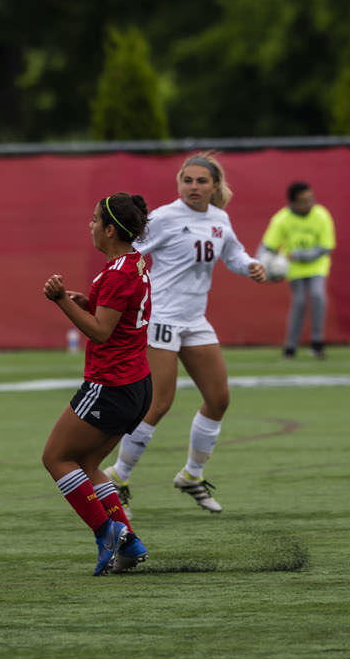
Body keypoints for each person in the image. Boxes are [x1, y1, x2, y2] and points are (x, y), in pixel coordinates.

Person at [109, 152, 270, 513]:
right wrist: (117, 296)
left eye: (201, 181)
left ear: (215, 186)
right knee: (158, 403)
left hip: (195, 320)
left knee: (219, 399)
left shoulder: (219, 218)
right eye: (188, 180)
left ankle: (192, 475)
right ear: (179, 183)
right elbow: (129, 253)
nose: (194, 187)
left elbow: (234, 255)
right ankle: (117, 478)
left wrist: (252, 267)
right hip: (162, 317)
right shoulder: (165, 218)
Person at [42, 192, 155, 575]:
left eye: (94, 220)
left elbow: (102, 333)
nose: (89, 226)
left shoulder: (116, 272)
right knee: (89, 462)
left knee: (56, 458)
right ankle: (130, 542)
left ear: (110, 229)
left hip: (111, 385)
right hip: (136, 385)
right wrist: (86, 302)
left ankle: (108, 533)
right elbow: (118, 313)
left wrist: (62, 301)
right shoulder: (133, 263)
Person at [263, 180, 336, 359]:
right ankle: (290, 347)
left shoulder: (322, 215)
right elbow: (268, 246)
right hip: (293, 268)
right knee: (300, 301)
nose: (309, 203)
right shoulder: (282, 219)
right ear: (293, 203)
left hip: (317, 265)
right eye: (304, 200)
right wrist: (263, 265)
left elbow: (326, 247)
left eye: (311, 198)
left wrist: (300, 255)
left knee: (318, 296)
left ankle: (317, 343)